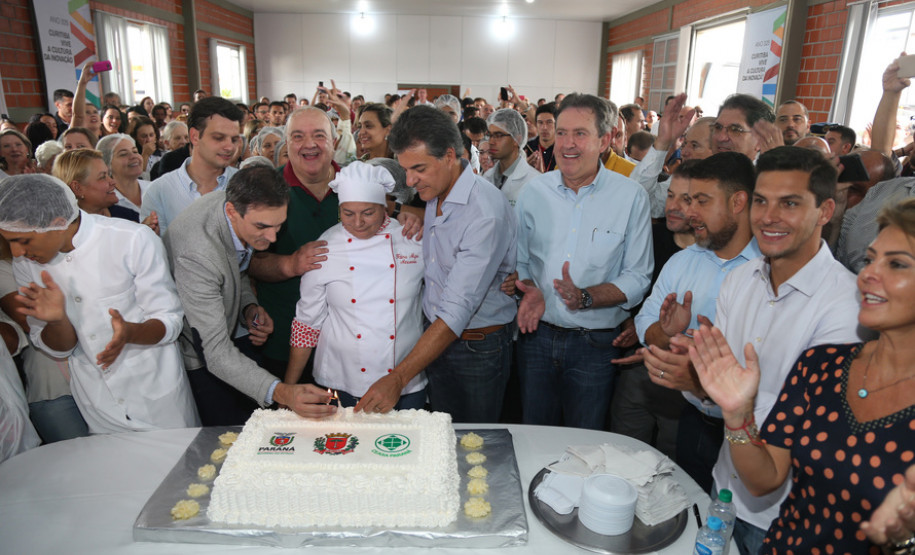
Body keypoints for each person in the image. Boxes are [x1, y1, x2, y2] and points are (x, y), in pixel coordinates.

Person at [690, 197, 915, 554]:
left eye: (898, 264)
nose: (869, 274)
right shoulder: (822, 365)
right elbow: (764, 480)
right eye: (870, 259)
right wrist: (738, 415)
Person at [681, 146, 863, 554]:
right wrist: (693, 378)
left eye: (790, 203)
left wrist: (727, 400)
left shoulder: (846, 309)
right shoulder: (741, 280)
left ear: (826, 210)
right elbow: (724, 389)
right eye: (761, 201)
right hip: (725, 489)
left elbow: (810, 435)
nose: (768, 217)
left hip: (784, 516)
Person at [0, 174, 198, 434]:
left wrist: (130, 333)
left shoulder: (131, 239)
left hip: (157, 396)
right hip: (98, 404)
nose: (16, 253)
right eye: (9, 242)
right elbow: (58, 350)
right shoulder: (27, 264)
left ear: (58, 223)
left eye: (23, 241)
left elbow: (170, 320)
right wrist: (58, 320)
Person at [354, 105, 517, 421]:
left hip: (475, 348)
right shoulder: (438, 188)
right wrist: (408, 216)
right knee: (441, 435)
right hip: (436, 337)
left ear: (449, 156)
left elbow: (456, 309)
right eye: (406, 170)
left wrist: (399, 378)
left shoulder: (484, 213)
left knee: (475, 444)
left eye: (419, 168)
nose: (411, 181)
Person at [513, 93, 653, 430]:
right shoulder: (534, 193)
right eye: (561, 133)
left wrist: (585, 297)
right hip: (537, 337)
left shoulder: (630, 196)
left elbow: (639, 276)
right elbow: (520, 260)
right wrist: (528, 288)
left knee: (585, 442)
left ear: (604, 140)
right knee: (535, 433)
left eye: (580, 133)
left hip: (595, 345)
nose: (566, 144)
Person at [163, 166, 336, 425]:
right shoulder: (196, 253)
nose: (272, 237)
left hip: (229, 344)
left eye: (279, 225)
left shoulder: (237, 209)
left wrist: (249, 307)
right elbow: (215, 352)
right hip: (200, 358)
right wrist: (283, 392)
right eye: (263, 227)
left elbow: (235, 269)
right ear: (232, 211)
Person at [637, 152, 761, 490]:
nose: (690, 212)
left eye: (702, 201)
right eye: (689, 200)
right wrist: (665, 332)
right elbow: (644, 326)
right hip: (695, 416)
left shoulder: (767, 271)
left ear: (738, 202)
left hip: (755, 429)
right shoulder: (682, 262)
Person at [285, 162, 426, 408]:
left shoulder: (411, 239)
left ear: (385, 206)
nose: (358, 223)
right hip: (340, 380)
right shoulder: (325, 247)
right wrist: (288, 389)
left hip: (405, 379)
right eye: (348, 214)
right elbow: (307, 324)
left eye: (368, 213)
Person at [141, 97, 242, 235]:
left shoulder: (244, 186)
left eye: (234, 139)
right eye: (219, 138)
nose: (229, 147)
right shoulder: (159, 192)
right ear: (194, 136)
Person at [96, 134, 156, 229]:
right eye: (123, 154)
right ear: (107, 164)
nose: (133, 156)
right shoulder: (107, 203)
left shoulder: (156, 188)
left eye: (135, 151)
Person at [483, 108, 540, 206]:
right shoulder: (487, 177)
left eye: (499, 135)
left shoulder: (535, 183)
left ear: (517, 139)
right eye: (490, 135)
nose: (491, 141)